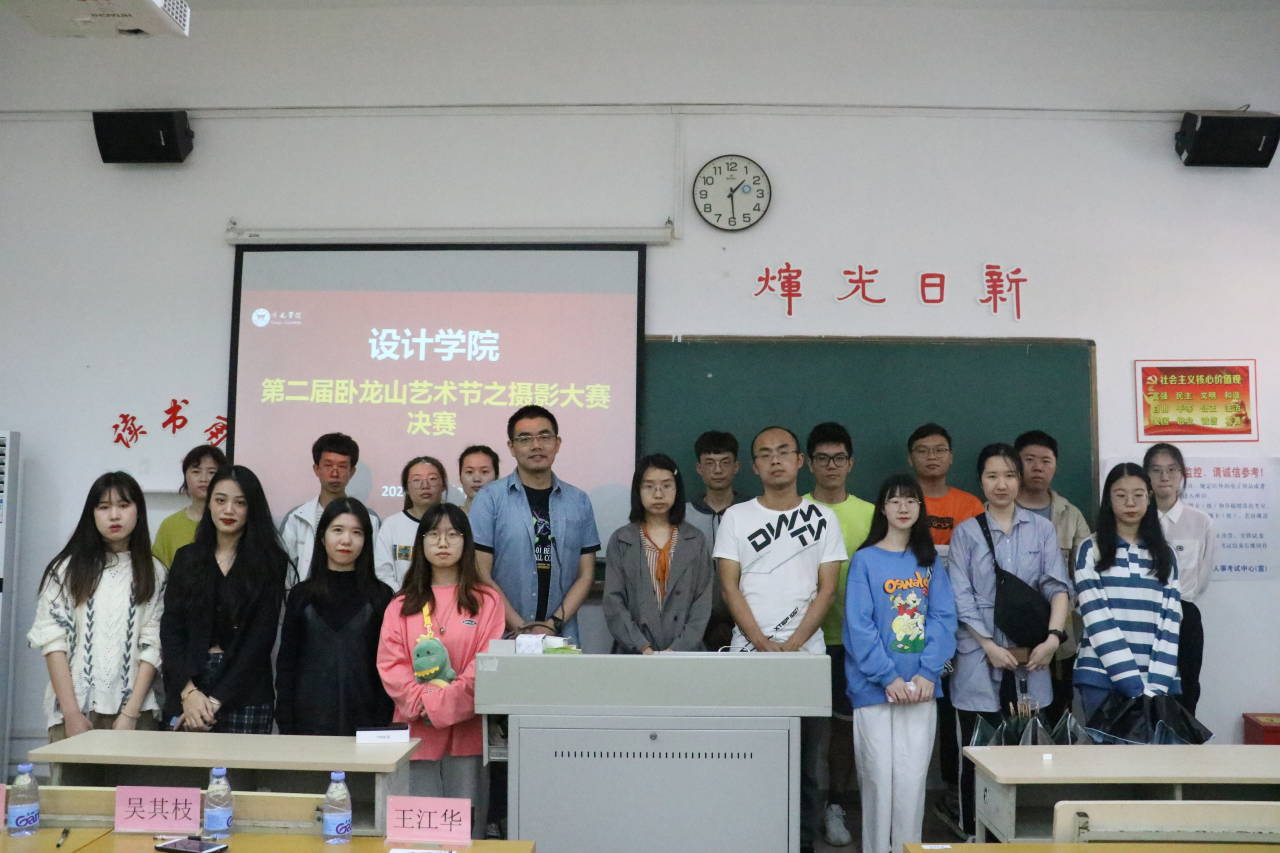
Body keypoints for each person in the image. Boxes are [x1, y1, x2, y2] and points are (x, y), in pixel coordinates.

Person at [714, 425, 845, 853]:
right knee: (749, 754)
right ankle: (750, 838)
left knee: (809, 760)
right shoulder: (737, 517)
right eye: (765, 454)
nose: (775, 460)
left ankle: (803, 842)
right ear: (754, 466)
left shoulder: (823, 518)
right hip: (748, 654)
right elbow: (729, 585)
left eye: (784, 451)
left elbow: (827, 588)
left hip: (807, 656)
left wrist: (792, 644)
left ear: (799, 461)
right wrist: (761, 641)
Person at [947, 443, 1070, 837]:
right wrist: (987, 644)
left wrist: (1052, 640)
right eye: (992, 476)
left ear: (1019, 479)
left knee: (1028, 754)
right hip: (977, 658)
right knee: (977, 753)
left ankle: (1024, 836)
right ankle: (974, 834)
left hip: (1032, 657)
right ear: (981, 481)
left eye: (1009, 475)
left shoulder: (1042, 529)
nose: (1001, 484)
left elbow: (1058, 588)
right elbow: (960, 595)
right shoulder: (966, 533)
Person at [377, 503, 505, 838]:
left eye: (453, 534)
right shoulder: (400, 605)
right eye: (433, 534)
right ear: (421, 543)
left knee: (464, 834)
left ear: (467, 542)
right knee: (419, 835)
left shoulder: (488, 601)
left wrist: (438, 706)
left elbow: (485, 665)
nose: (443, 542)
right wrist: (423, 704)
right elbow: (391, 665)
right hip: (416, 734)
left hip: (467, 732)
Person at [845, 474, 957, 853]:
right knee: (877, 779)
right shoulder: (865, 560)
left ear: (920, 508)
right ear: (883, 508)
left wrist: (928, 672)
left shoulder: (929, 561)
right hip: (874, 689)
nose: (903, 507)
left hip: (921, 688)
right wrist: (886, 676)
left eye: (911, 500)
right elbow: (858, 625)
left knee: (911, 782)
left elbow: (943, 617)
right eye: (894, 500)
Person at [29, 472, 166, 740]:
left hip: (137, 713)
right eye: (104, 507)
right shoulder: (65, 570)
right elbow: (53, 642)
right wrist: (71, 714)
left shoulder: (155, 572)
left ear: (138, 511)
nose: (114, 516)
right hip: (73, 712)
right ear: (91, 514)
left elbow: (153, 646)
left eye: (123, 505)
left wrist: (131, 713)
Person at [162, 465, 289, 733]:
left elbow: (260, 639)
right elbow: (171, 630)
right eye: (220, 500)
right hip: (189, 689)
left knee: (242, 763)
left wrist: (214, 701)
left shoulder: (270, 562)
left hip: (246, 692)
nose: (228, 510)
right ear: (209, 504)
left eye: (240, 503)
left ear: (252, 508)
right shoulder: (187, 558)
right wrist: (188, 693)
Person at [470, 405, 600, 642]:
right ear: (511, 447)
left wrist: (553, 624)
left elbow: (586, 574)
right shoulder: (489, 499)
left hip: (562, 636)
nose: (536, 445)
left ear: (557, 443)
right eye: (525, 439)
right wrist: (522, 627)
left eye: (544, 436)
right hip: (503, 634)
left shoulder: (579, 501)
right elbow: (480, 573)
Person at [907, 422, 981, 838]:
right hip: (905, 625)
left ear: (951, 456)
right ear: (910, 458)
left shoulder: (969, 504)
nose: (932, 457)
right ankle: (908, 799)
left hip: (960, 627)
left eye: (939, 449)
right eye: (923, 450)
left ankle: (956, 794)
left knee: (956, 713)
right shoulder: (901, 500)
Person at [803, 421, 875, 848]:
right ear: (809, 463)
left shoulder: (872, 513)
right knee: (808, 728)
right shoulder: (795, 511)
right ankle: (800, 808)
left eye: (839, 458)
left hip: (856, 641)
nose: (831, 466)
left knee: (845, 728)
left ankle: (836, 804)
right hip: (803, 639)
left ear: (851, 463)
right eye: (822, 458)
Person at [1074, 462, 1182, 721]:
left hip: (1157, 681)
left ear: (1149, 498)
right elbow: (1096, 616)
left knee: (1154, 748)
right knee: (1105, 749)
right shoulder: (1091, 549)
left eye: (1138, 495)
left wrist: (1155, 686)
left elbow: (1171, 619)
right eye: (1121, 495)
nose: (1130, 503)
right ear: (1109, 500)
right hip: (1101, 677)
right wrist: (1131, 683)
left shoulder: (1165, 554)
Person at [277, 498, 394, 735]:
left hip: (367, 725)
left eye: (356, 532)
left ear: (366, 540)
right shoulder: (301, 595)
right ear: (322, 537)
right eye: (338, 530)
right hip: (307, 724)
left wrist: (382, 724)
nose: (346, 540)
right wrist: (286, 722)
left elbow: (386, 667)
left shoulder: (381, 596)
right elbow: (287, 665)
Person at [1014, 429, 1092, 722]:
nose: (1038, 467)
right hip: (1010, 634)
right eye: (1029, 459)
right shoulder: (995, 511)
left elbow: (1085, 573)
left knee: (1059, 713)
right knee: (1016, 715)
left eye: (1045, 461)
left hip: (1060, 637)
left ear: (1055, 465)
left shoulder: (1070, 514)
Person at [603, 454, 714, 653]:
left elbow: (702, 604)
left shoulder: (695, 539)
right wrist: (642, 647)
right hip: (634, 654)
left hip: (687, 654)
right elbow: (614, 602)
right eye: (649, 486)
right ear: (637, 491)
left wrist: (676, 650)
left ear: (677, 489)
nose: (658, 494)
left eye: (666, 485)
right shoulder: (622, 540)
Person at [1144, 442, 1213, 715]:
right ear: (1146, 475)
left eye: (1172, 470)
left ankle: (1183, 741)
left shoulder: (1201, 521)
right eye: (1156, 470)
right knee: (1144, 692)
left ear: (1182, 474)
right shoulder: (1136, 519)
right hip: (1143, 615)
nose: (1164, 477)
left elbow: (1203, 576)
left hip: (1184, 615)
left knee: (1186, 690)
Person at [280, 432, 379, 583]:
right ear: (316, 469)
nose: (334, 473)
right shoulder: (296, 517)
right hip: (305, 594)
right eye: (328, 465)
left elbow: (375, 566)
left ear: (352, 472)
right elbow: (285, 570)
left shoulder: (370, 519)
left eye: (342, 466)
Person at [684, 430, 748, 650]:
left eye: (725, 462)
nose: (718, 470)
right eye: (710, 463)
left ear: (736, 467)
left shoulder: (752, 513)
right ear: (699, 468)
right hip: (692, 622)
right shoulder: (682, 517)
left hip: (746, 619)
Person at [374, 456, 448, 590]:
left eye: (432, 479)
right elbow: (383, 573)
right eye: (416, 480)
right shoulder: (392, 525)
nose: (425, 486)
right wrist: (403, 598)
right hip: (401, 599)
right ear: (406, 488)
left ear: (443, 485)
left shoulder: (454, 523)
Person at [152, 444, 227, 568]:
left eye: (212, 472)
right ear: (185, 477)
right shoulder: (170, 526)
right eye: (196, 472)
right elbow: (159, 572)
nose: (204, 479)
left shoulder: (229, 522)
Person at [458, 445, 499, 514]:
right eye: (469, 472)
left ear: (496, 477)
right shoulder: (449, 517)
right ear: (460, 477)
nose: (476, 479)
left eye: (484, 472)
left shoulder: (508, 516)